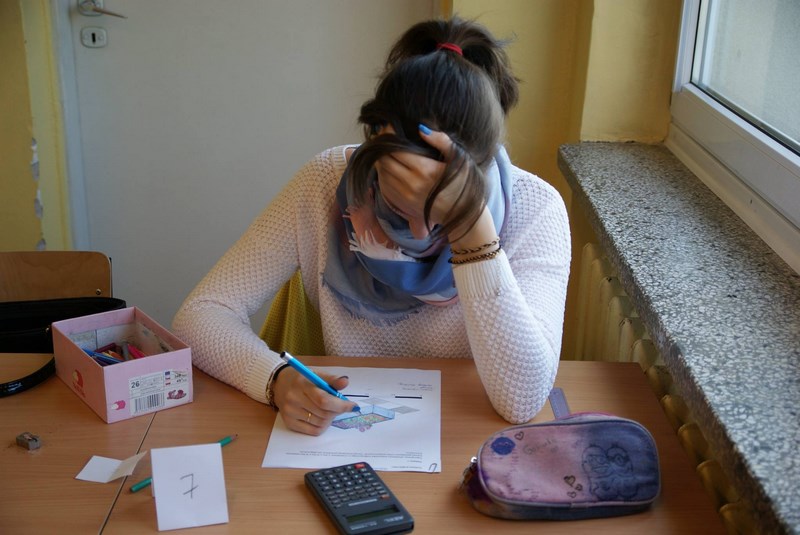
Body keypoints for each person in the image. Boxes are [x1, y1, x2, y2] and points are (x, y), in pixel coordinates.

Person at [172, 17, 571, 436]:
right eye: (396, 211)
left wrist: (470, 230)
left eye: (437, 218)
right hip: (343, 432)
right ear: (375, 143)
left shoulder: (536, 210)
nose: (418, 235)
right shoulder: (325, 182)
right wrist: (274, 379)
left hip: (461, 438)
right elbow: (199, 315)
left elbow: (522, 400)